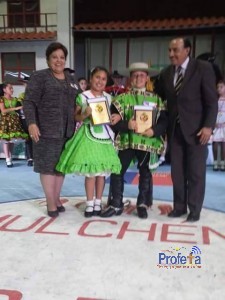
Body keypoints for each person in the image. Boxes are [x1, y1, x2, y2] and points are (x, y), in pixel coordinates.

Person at [157, 37, 218, 222]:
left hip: (197, 131)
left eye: (175, 50)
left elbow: (211, 101)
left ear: (187, 50)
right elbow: (160, 99)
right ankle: (179, 207)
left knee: (196, 173)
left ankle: (194, 210)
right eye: (169, 50)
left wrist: (208, 126)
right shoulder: (166, 73)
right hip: (175, 132)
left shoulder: (203, 68)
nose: (171, 54)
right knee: (177, 173)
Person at [101, 62, 168, 219]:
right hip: (127, 140)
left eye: (142, 75)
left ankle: (142, 203)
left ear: (147, 78)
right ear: (130, 78)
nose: (138, 78)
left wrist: (154, 131)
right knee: (118, 171)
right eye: (135, 75)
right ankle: (116, 203)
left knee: (145, 172)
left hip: (147, 141)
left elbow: (164, 121)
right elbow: (113, 122)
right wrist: (126, 124)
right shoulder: (121, 99)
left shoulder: (156, 99)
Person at [56, 66, 122, 218]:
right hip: (88, 136)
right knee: (91, 173)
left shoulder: (109, 98)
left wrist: (116, 117)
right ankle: (90, 203)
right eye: (97, 77)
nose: (100, 81)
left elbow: (114, 116)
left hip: (105, 137)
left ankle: (98, 202)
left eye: (103, 79)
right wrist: (84, 114)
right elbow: (76, 117)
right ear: (91, 79)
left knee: (102, 173)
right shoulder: (83, 96)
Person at [23, 42, 80, 218]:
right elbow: (29, 101)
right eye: (54, 57)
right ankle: (50, 202)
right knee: (48, 168)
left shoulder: (71, 79)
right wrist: (32, 123)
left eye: (62, 57)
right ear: (48, 60)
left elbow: (78, 103)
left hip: (67, 132)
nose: (58, 60)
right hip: (45, 130)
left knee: (60, 167)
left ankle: (56, 199)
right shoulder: (39, 77)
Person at [0, 82, 28, 167]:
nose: (12, 90)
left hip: (14, 121)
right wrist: (15, 108)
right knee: (6, 140)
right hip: (5, 121)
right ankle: (7, 158)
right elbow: (3, 111)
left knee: (12, 140)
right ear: (4, 90)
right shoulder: (1, 99)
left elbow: (21, 109)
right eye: (10, 88)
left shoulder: (15, 99)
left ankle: (10, 156)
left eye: (12, 88)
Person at [17, 76, 33, 166]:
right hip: (24, 119)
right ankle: (30, 158)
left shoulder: (36, 94)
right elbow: (18, 108)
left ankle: (36, 157)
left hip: (35, 119)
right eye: (26, 84)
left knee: (36, 138)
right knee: (28, 138)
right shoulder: (21, 96)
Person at [212, 80, 225, 171]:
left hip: (224, 125)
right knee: (215, 143)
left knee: (224, 144)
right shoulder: (214, 100)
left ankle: (223, 163)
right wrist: (213, 122)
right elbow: (212, 112)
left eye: (221, 87)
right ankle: (216, 162)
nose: (219, 89)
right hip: (216, 125)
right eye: (218, 87)